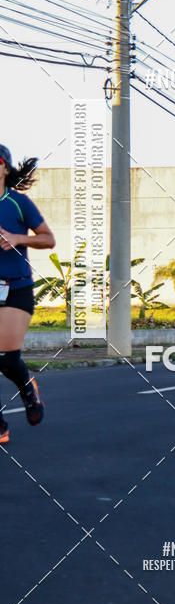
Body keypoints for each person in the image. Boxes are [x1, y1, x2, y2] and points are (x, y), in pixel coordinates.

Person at [0, 146, 55, 444]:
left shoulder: (18, 203)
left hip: (16, 287)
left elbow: (49, 238)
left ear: (6, 168)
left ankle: (28, 389)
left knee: (6, 359)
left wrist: (17, 238)